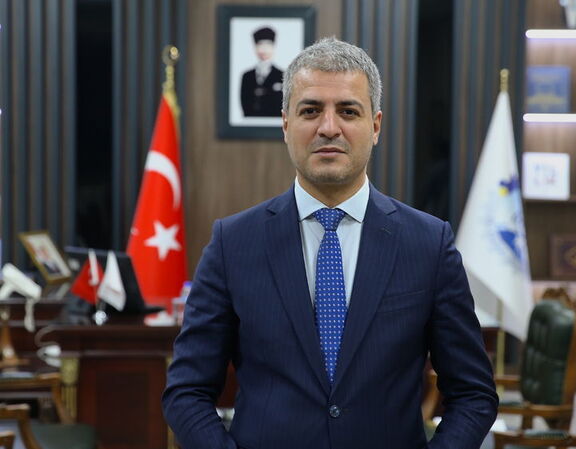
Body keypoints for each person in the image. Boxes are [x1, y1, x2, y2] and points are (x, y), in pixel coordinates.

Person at [163, 37, 498, 449]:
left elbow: (473, 394)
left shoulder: (429, 245)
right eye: (310, 110)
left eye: (348, 111)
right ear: (285, 124)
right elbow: (186, 391)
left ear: (375, 126)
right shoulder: (232, 244)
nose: (328, 127)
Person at [240, 26, 284, 117]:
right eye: (260, 45)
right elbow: (244, 102)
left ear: (273, 47)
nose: (264, 49)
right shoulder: (247, 76)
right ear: (255, 47)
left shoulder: (282, 75)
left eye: (268, 45)